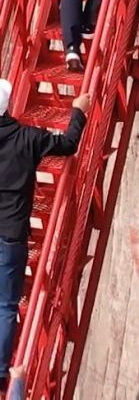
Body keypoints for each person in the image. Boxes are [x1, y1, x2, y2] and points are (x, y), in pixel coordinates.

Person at [0, 79, 90, 392]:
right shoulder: (28, 138)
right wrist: (79, 112)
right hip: (11, 235)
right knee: (6, 304)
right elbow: (67, 145)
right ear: (8, 106)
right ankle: (1, 372)